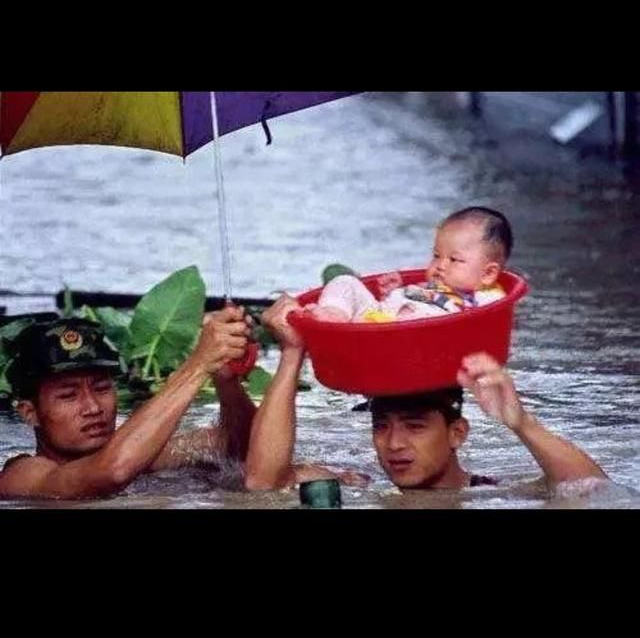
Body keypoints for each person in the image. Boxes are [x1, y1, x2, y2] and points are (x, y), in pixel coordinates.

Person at [244, 297, 608, 492]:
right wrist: (292, 355)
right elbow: (262, 484)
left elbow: (593, 490)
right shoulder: (358, 486)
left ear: (457, 433)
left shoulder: (491, 495)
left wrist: (521, 423)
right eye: (381, 426)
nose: (394, 444)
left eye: (415, 426)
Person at [0, 309, 365, 501]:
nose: (92, 407)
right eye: (68, 395)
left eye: (101, 388)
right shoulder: (25, 475)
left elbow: (239, 450)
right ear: (27, 412)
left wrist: (225, 380)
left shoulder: (154, 455)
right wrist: (197, 364)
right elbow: (111, 472)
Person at [306, 207, 511, 322]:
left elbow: (490, 320)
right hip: (377, 318)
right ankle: (335, 315)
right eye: (436, 255)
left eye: (454, 260)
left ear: (488, 273)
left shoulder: (485, 295)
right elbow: (409, 299)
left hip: (414, 336)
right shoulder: (433, 286)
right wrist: (396, 291)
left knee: (425, 317)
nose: (440, 265)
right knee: (345, 282)